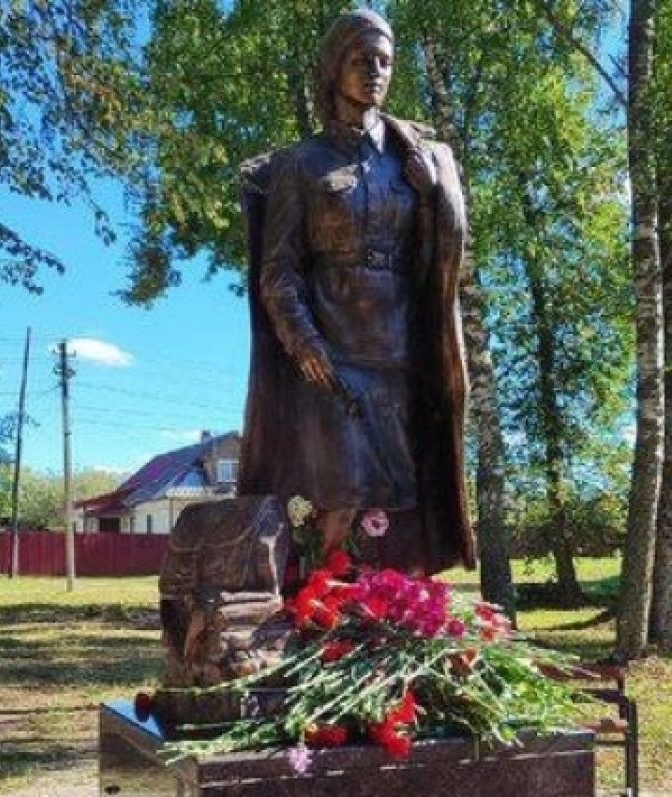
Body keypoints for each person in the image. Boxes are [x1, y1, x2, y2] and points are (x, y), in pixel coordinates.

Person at [238, 9, 473, 576]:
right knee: (338, 496)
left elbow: (440, 256)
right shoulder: (301, 164)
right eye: (361, 59)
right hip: (332, 355)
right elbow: (280, 270)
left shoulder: (415, 160)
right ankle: (323, 618)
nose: (375, 71)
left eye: (385, 62)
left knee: (401, 496)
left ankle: (400, 619)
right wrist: (303, 342)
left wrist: (434, 197)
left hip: (401, 351)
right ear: (333, 67)